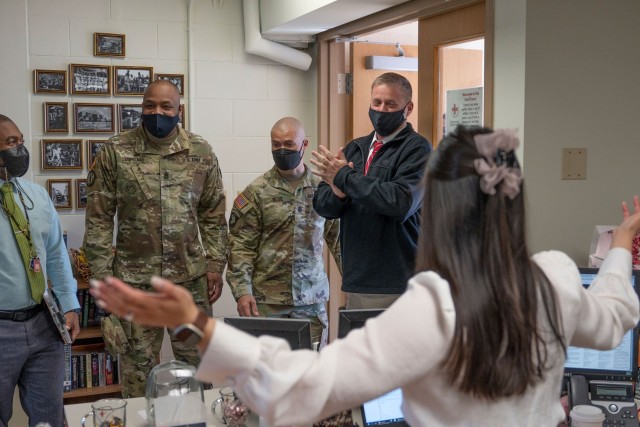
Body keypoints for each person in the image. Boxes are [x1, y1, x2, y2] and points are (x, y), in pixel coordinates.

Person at [89, 125, 640, 426]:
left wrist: (198, 325)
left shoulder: (435, 307)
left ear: (439, 208)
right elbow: (614, 317)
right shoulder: (556, 278)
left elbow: (304, 387)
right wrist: (618, 248)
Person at [83, 79, 228, 398]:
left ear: (180, 111)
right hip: (135, 284)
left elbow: (213, 213)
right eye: (150, 105)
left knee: (199, 370)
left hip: (188, 283)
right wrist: (103, 277)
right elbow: (98, 219)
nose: (157, 112)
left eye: (166, 107)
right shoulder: (116, 151)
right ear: (141, 107)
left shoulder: (201, 152)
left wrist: (216, 264)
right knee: (138, 375)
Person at [311, 72, 432, 309]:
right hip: (358, 279)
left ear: (408, 108)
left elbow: (400, 201)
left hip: (398, 281)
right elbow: (322, 204)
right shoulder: (356, 148)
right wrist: (339, 192)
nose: (381, 110)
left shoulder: (418, 149)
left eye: (390, 104)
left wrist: (345, 177)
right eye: (376, 102)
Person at [226, 117, 341, 347]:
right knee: (267, 374)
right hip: (267, 303)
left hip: (311, 301)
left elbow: (339, 241)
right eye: (276, 144)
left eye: (288, 144)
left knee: (311, 373)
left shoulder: (323, 189)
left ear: (304, 144)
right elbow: (240, 248)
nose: (281, 150)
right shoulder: (256, 192)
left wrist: (354, 286)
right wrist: (242, 291)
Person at [0, 115, 80, 426]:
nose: (19, 148)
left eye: (19, 140)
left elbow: (56, 255)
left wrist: (70, 304)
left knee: (50, 418)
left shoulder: (36, 195)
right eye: (10, 143)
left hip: (44, 323)